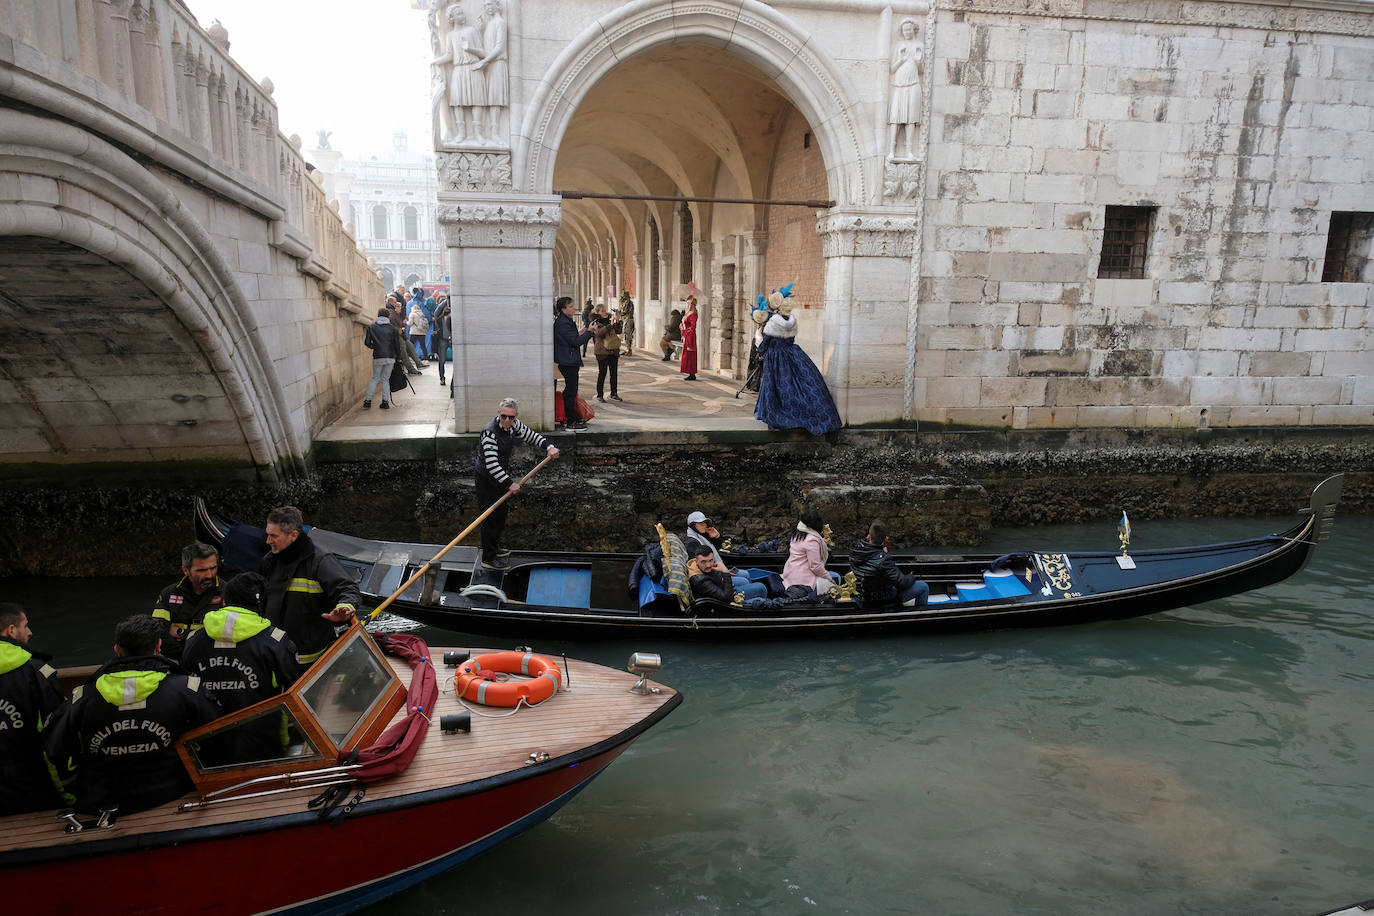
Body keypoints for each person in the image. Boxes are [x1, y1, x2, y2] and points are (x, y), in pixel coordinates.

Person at [44, 614, 221, 816]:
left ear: (117, 650)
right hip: (172, 794)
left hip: (99, 802)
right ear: (158, 646)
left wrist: (70, 794)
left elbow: (54, 748)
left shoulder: (83, 697)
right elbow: (216, 733)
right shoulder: (186, 689)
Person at [182, 572, 299, 717]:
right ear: (262, 603)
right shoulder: (275, 640)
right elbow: (293, 692)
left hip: (206, 734)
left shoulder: (194, 639)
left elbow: (186, 690)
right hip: (262, 733)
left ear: (225, 600)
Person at [261, 506, 361, 668]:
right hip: (275, 657)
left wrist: (344, 608)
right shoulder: (269, 561)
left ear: (293, 535)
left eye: (273, 536)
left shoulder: (320, 561)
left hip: (311, 663)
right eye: (268, 534)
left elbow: (348, 589)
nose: (268, 541)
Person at [474, 398, 560, 569]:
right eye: (504, 416)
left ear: (516, 417)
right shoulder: (489, 433)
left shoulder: (515, 425)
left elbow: (532, 436)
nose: (507, 420)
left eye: (511, 417)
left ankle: (495, 548)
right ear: (499, 414)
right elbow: (491, 465)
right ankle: (488, 558)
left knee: (501, 515)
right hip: (486, 480)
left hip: (500, 477)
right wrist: (510, 483)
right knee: (490, 518)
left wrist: (549, 446)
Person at [0, 603, 65, 815]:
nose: (29, 631)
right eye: (25, 625)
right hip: (33, 790)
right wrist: (68, 794)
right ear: (11, 630)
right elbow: (57, 735)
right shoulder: (36, 673)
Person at [754, 287, 842, 435]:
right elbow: (791, 339)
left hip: (775, 358)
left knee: (776, 386)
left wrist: (759, 342)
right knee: (802, 383)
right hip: (792, 353)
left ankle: (778, 415)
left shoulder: (771, 323)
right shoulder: (792, 321)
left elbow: (765, 345)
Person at [151, 542, 223, 661]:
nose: (209, 575)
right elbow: (157, 636)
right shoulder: (169, 594)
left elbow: (224, 638)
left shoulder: (227, 593)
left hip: (212, 667)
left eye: (213, 568)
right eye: (202, 570)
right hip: (174, 669)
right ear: (186, 571)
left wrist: (182, 633)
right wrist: (199, 640)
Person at [433, 2, 486, 143]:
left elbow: (483, 53)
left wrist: (469, 49)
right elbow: (450, 55)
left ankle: (478, 133)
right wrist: (436, 61)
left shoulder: (472, 31)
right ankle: (461, 133)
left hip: (473, 68)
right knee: (457, 102)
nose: (462, 15)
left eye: (462, 12)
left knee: (477, 101)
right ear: (452, 18)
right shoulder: (450, 35)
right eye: (458, 13)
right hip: (458, 70)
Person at [683, 512, 767, 599]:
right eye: (700, 523)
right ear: (692, 525)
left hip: (716, 572)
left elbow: (715, 551)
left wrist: (716, 537)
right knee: (745, 580)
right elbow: (703, 566)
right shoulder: (692, 543)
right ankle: (746, 599)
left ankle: (749, 599)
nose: (703, 525)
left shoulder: (702, 536)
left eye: (704, 522)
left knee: (745, 574)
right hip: (712, 576)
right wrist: (724, 573)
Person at [848, 520, 930, 608]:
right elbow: (902, 583)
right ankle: (919, 614)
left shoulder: (855, 549)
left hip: (859, 597)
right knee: (923, 587)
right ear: (886, 539)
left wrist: (883, 554)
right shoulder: (884, 560)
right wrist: (912, 576)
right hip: (880, 601)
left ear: (869, 536)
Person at [553, 296, 595, 431]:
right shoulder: (563, 322)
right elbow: (575, 342)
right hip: (568, 361)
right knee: (571, 392)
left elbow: (573, 337)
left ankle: (569, 419)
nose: (573, 309)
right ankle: (571, 422)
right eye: (570, 307)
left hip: (568, 359)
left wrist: (584, 330)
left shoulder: (565, 321)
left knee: (570, 391)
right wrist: (590, 332)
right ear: (563, 309)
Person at [888, 18, 924, 160]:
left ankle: (909, 150)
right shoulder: (898, 45)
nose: (907, 32)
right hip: (899, 85)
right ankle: (891, 149)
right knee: (895, 118)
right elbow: (891, 69)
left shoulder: (919, 45)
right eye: (904, 30)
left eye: (909, 29)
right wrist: (901, 59)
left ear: (913, 29)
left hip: (913, 84)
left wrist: (918, 60)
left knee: (911, 119)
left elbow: (921, 70)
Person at [781, 508, 836, 597]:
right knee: (834, 586)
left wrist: (822, 542)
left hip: (790, 574)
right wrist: (830, 579)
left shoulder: (796, 534)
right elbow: (815, 566)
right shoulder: (812, 540)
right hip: (803, 580)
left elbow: (804, 547)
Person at [363, 306, 402, 409]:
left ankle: (367, 401)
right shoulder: (393, 329)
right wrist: (399, 357)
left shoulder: (371, 327)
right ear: (388, 316)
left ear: (378, 315)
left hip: (378, 356)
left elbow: (367, 342)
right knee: (385, 379)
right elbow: (397, 345)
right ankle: (385, 402)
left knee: (375, 378)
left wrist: (374, 347)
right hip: (390, 357)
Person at [591, 303, 623, 403]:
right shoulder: (595, 322)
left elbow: (618, 331)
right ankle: (600, 395)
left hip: (613, 350)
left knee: (614, 373)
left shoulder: (610, 320)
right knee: (602, 373)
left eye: (605, 310)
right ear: (597, 313)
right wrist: (611, 325)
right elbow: (600, 333)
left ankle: (614, 393)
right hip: (602, 351)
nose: (605, 312)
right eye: (602, 311)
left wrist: (617, 322)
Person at [432, 294, 453, 386]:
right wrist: (445, 303)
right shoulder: (440, 316)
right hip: (443, 339)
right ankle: (442, 378)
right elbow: (436, 314)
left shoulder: (452, 314)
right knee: (442, 360)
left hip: (452, 339)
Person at [680, 295, 699, 380]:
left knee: (690, 355)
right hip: (686, 335)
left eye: (688, 303)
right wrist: (682, 326)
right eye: (687, 303)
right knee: (687, 355)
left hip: (690, 336)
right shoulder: (688, 312)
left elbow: (693, 327)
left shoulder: (694, 314)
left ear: (692, 304)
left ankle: (692, 373)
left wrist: (685, 331)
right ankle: (690, 372)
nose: (687, 304)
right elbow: (685, 324)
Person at [618, 291, 636, 357]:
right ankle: (627, 349)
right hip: (625, 320)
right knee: (626, 334)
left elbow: (627, 312)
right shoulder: (624, 303)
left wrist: (621, 313)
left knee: (628, 335)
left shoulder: (630, 303)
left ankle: (629, 350)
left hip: (629, 320)